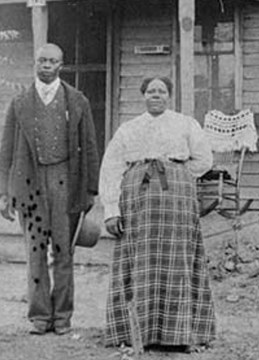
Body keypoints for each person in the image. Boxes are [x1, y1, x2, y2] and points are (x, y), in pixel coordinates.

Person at [99, 76, 215, 352]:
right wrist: (112, 210)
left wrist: (179, 174)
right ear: (143, 96)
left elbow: (204, 160)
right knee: (139, 261)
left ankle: (180, 334)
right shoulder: (129, 128)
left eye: (161, 91)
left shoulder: (186, 124)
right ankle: (134, 333)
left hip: (176, 202)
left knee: (178, 261)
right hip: (138, 202)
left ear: (169, 96)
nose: (156, 95)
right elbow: (111, 168)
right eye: (151, 91)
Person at [0, 43, 99, 335]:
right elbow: (5, 151)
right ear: (35, 63)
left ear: (61, 65)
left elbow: (91, 146)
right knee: (35, 252)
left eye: (52, 61)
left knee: (63, 251)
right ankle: (40, 316)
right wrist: (4, 192)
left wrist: (90, 190)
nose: (46, 65)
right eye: (41, 60)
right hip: (28, 182)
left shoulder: (77, 101)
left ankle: (63, 317)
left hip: (64, 182)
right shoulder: (19, 103)